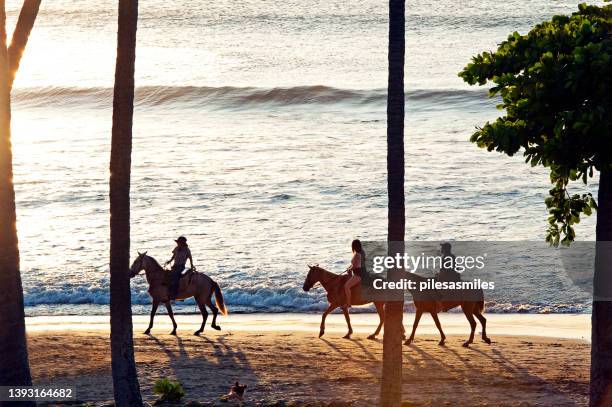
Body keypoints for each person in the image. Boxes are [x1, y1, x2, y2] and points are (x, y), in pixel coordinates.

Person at [344, 239, 366, 308]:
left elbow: (356, 266)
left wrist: (350, 269)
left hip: (358, 274)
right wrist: (349, 267)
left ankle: (348, 303)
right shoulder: (362, 252)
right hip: (361, 272)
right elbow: (357, 264)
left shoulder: (357, 254)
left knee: (346, 286)